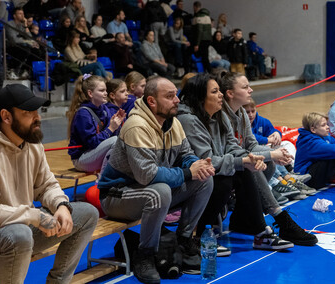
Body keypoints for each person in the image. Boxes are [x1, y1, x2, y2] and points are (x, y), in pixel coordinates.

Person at [0, 84, 99, 283]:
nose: (38, 117)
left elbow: (46, 185)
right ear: (7, 117)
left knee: (87, 214)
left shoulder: (31, 143)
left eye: (37, 111)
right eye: (28, 112)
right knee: (20, 235)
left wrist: (61, 205)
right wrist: (34, 215)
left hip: (17, 228)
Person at [98, 76, 214, 283]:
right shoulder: (136, 126)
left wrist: (197, 165)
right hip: (117, 196)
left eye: (176, 95)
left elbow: (185, 154)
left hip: (148, 191)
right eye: (169, 96)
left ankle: (183, 240)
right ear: (151, 101)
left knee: (204, 180)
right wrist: (188, 172)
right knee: (160, 191)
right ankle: (145, 255)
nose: (177, 100)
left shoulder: (174, 123)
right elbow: (147, 175)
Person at [177, 73, 294, 255]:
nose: (220, 95)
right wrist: (246, 160)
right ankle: (201, 235)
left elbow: (233, 146)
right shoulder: (189, 120)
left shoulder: (218, 114)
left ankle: (259, 230)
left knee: (246, 169)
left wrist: (250, 159)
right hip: (189, 177)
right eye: (215, 91)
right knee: (225, 179)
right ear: (201, 97)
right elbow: (206, 160)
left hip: (211, 171)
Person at [219, 71, 318, 246]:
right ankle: (280, 218)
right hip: (223, 165)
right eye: (245, 87)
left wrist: (275, 154)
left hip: (239, 162)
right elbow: (232, 151)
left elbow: (250, 145)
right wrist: (270, 153)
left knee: (269, 164)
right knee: (253, 166)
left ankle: (242, 217)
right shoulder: (222, 116)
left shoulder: (241, 113)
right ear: (230, 93)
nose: (250, 90)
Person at [243, 99, 316, 198]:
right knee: (270, 152)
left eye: (253, 111)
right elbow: (252, 139)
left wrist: (277, 134)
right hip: (251, 152)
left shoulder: (260, 120)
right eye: (247, 112)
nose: (251, 115)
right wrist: (268, 140)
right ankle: (283, 181)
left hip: (263, 149)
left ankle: (289, 174)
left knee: (285, 144)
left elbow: (273, 129)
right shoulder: (241, 124)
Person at [67, 75, 125, 172]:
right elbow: (92, 143)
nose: (105, 93)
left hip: (95, 153)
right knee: (115, 140)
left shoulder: (104, 109)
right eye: (102, 91)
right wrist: (111, 128)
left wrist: (117, 126)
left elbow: (109, 138)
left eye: (106, 90)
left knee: (122, 140)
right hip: (82, 159)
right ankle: (104, 180)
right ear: (90, 93)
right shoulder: (83, 114)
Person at [295, 112, 335, 189]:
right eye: (323, 125)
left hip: (318, 174)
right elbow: (333, 150)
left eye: (327, 124)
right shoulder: (309, 142)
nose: (327, 127)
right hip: (308, 180)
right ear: (313, 129)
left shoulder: (323, 136)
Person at [191, 1, 212, 72]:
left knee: (204, 58)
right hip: (207, 39)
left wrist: (197, 44)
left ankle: (210, 73)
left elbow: (199, 31)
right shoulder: (207, 16)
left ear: (195, 7)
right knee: (204, 58)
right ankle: (207, 73)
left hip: (201, 40)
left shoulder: (198, 16)